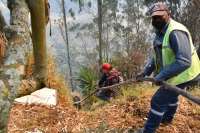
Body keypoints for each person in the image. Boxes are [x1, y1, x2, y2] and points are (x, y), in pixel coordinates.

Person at [135, 2, 200, 133]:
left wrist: (161, 76)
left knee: (157, 101)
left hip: (185, 73)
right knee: (172, 96)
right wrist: (146, 71)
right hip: (175, 72)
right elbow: (157, 56)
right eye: (154, 17)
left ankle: (148, 130)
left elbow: (184, 61)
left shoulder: (175, 32)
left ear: (168, 14)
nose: (156, 19)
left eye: (160, 16)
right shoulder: (160, 31)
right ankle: (167, 119)